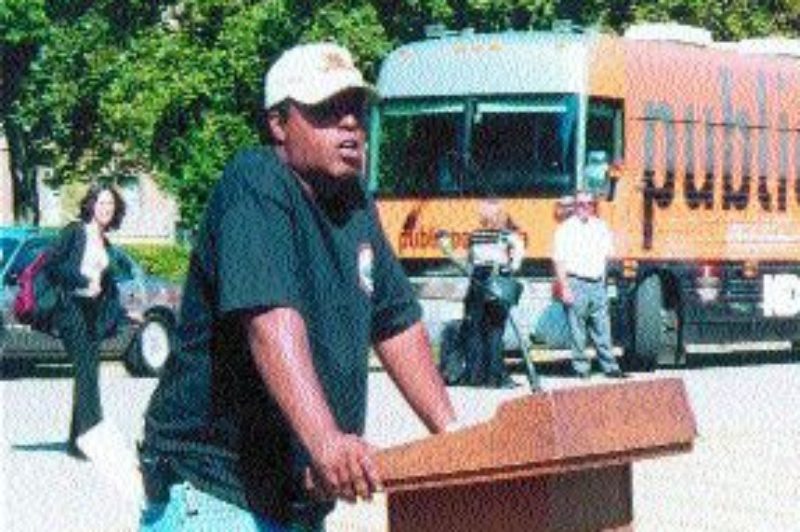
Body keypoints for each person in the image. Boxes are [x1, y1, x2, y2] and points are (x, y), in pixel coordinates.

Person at [138, 42, 457, 531]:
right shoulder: (256, 181)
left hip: (293, 502)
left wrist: (455, 438)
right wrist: (326, 440)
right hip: (216, 493)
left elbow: (396, 323)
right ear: (278, 123)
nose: (349, 123)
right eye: (326, 110)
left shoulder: (355, 204)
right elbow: (270, 320)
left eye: (355, 109)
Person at [46, 184, 131, 459]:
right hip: (71, 309)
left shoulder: (105, 242)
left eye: (111, 205)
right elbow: (53, 266)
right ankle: (90, 439)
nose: (106, 209)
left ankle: (77, 440)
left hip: (92, 313)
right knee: (86, 373)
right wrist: (82, 281)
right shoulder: (75, 231)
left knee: (89, 372)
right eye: (102, 203)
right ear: (91, 204)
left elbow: (108, 289)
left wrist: (124, 313)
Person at [552, 191, 627, 379]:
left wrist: (604, 282)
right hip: (576, 282)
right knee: (577, 330)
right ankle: (581, 368)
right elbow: (559, 261)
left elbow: (607, 256)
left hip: (597, 283)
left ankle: (610, 367)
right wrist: (565, 287)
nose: (584, 207)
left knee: (603, 328)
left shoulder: (601, 227)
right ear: (574, 207)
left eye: (588, 204)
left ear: (593, 206)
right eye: (580, 204)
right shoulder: (565, 229)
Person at [461, 199, 524, 388]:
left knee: (476, 328)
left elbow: (469, 260)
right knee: (495, 329)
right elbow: (519, 253)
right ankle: (495, 376)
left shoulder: (474, 235)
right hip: (497, 279)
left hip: (477, 281)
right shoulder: (507, 236)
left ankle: (475, 375)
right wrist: (512, 267)